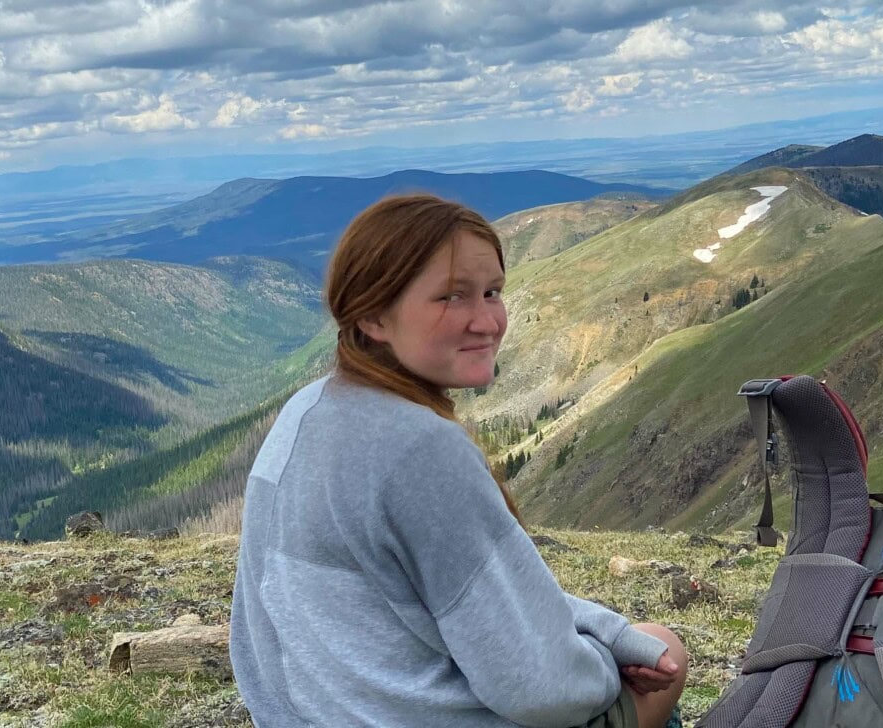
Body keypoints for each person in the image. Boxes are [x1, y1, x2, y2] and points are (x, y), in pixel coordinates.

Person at [230, 194, 689, 728]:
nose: (487, 322)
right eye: (451, 297)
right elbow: (538, 689)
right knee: (666, 647)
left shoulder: (305, 411)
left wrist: (606, 631)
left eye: (492, 292)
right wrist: (608, 663)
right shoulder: (421, 448)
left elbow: (479, 600)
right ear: (373, 315)